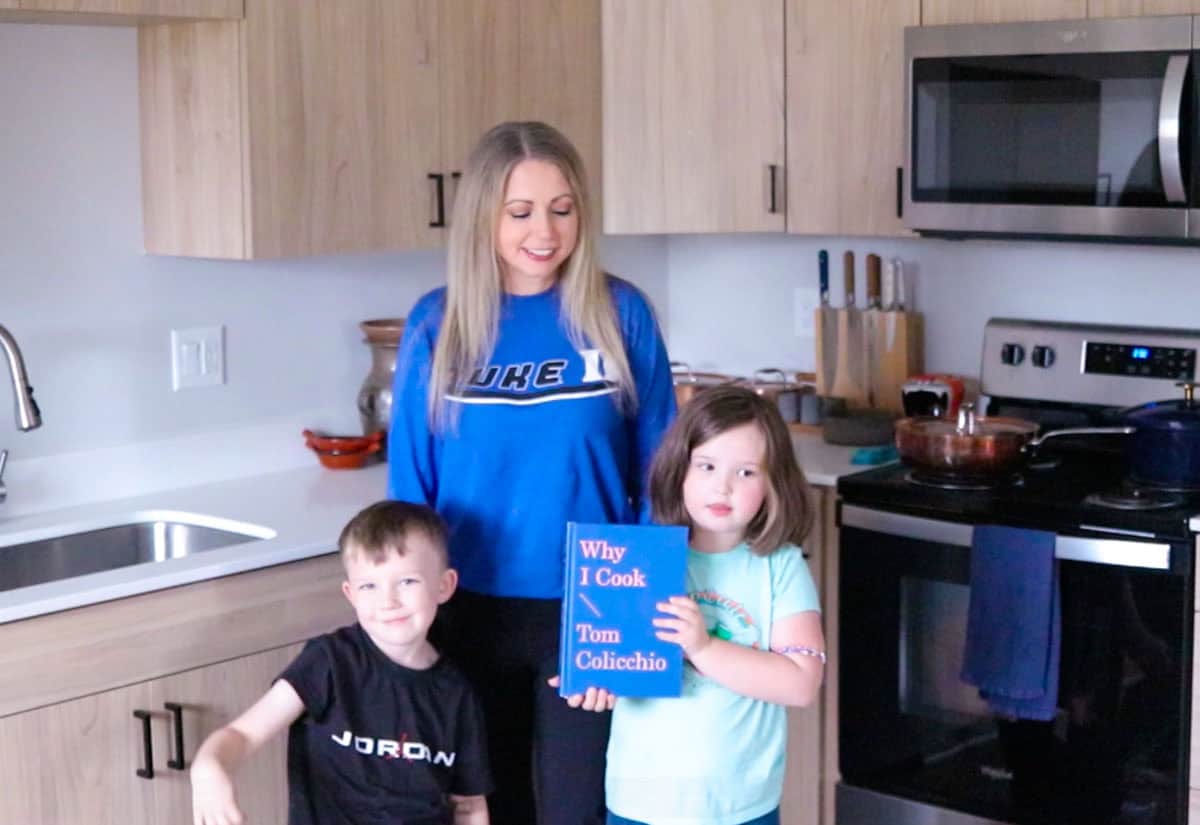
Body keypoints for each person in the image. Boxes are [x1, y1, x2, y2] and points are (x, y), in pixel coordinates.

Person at [387, 120, 676, 825]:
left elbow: (662, 479)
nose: (544, 231)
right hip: (464, 611)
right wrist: (409, 625)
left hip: (589, 610)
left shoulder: (622, 313)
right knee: (490, 810)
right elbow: (409, 492)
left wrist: (626, 633)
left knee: (577, 812)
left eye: (562, 208)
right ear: (483, 216)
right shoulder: (437, 324)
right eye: (520, 212)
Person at [189, 500, 491, 825]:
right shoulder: (328, 662)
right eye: (369, 586)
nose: (388, 601)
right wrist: (208, 769)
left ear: (444, 586)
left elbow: (469, 806)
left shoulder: (457, 694)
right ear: (351, 594)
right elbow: (242, 734)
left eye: (407, 581)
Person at [605, 385, 826, 825]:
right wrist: (594, 678)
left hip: (740, 808)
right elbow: (617, 666)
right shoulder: (636, 559)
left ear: (773, 484)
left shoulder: (780, 567)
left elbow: (802, 683)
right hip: (639, 802)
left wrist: (703, 648)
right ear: (679, 470)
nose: (723, 486)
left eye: (746, 472)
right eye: (706, 466)